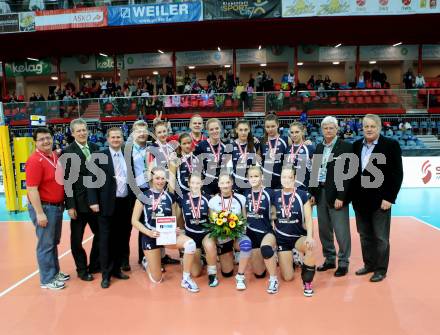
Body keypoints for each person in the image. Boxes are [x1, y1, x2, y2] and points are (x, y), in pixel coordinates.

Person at [131, 166, 200, 293]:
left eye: (163, 178)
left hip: (166, 236)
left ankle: (186, 279)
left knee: (190, 244)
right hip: (150, 236)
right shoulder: (142, 196)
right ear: (152, 179)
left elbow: (173, 217)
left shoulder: (170, 196)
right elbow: (134, 221)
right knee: (157, 279)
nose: (160, 181)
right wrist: (149, 232)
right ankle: (147, 262)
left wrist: (174, 229)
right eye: (157, 178)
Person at [351, 114, 403, 282]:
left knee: (381, 237)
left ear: (379, 128)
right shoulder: (356, 145)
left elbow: (397, 174)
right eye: (366, 126)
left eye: (372, 126)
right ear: (362, 128)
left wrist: (390, 198)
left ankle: (381, 269)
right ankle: (369, 264)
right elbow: (352, 174)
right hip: (360, 201)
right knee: (364, 235)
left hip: (381, 201)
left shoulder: (391, 145)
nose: (369, 129)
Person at [26, 127, 70, 290]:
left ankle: (54, 272)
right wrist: (39, 213)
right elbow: (32, 189)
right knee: (46, 244)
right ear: (35, 142)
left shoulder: (53, 155)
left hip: (55, 207)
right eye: (41, 139)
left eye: (48, 138)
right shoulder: (34, 161)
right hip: (44, 207)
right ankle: (47, 279)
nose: (46, 141)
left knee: (53, 242)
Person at [309, 116, 353, 277]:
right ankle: (329, 259)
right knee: (324, 230)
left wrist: (342, 196)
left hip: (337, 195)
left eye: (331, 128)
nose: (328, 130)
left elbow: (349, 175)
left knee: (341, 231)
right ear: (322, 130)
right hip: (320, 194)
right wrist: (313, 192)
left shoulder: (346, 147)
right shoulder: (319, 147)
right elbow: (315, 171)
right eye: (325, 128)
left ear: (337, 129)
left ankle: (343, 262)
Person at [87, 127, 131, 289]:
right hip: (105, 204)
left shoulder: (127, 156)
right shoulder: (99, 156)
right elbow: (91, 180)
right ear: (107, 139)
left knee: (120, 239)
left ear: (122, 138)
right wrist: (93, 201)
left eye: (118, 137)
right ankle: (106, 274)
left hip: (124, 203)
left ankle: (117, 269)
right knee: (105, 241)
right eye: (113, 137)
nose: (116, 139)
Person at [62, 118, 100, 281]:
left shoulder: (96, 148)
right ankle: (82, 269)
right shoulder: (67, 152)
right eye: (78, 131)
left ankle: (94, 265)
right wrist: (70, 205)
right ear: (73, 133)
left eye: (84, 130)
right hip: (78, 204)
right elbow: (67, 181)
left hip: (96, 203)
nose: (82, 133)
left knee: (101, 235)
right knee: (76, 241)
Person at [271, 167, 316, 297]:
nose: (287, 180)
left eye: (290, 177)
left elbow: (308, 219)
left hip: (298, 237)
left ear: (295, 179)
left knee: (310, 246)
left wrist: (309, 237)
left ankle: (307, 282)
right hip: (282, 239)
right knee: (288, 277)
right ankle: (293, 256)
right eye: (284, 177)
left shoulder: (302, 194)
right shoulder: (274, 194)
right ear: (280, 179)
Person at [208, 174, 252, 290]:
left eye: (228, 182)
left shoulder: (240, 199)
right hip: (222, 238)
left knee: (246, 244)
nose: (225, 185)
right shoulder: (213, 201)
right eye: (222, 183)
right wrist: (222, 230)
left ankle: (241, 277)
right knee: (227, 273)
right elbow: (212, 223)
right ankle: (231, 255)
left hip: (237, 235)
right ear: (218, 185)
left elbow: (244, 219)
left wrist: (237, 230)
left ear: (232, 183)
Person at [175, 173, 219, 287]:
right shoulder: (182, 198)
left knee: (209, 245)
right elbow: (178, 217)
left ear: (202, 183)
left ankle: (212, 274)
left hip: (205, 233)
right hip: (191, 235)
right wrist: (178, 229)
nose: (195, 185)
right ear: (189, 183)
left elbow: (213, 218)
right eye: (193, 183)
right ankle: (202, 260)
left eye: (198, 183)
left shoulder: (208, 198)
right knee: (195, 273)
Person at [244, 166, 277, 293]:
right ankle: (270, 259)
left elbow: (275, 214)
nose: (253, 179)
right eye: (251, 176)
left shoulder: (270, 193)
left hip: (266, 232)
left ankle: (274, 280)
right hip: (251, 233)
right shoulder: (245, 194)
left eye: (256, 176)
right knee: (259, 273)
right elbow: (244, 215)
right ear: (247, 178)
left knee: (266, 249)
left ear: (262, 177)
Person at [126, 120, 150, 267]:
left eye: (144, 131)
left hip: (151, 191)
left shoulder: (152, 148)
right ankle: (124, 260)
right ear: (133, 133)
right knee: (126, 227)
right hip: (133, 192)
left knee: (147, 225)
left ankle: (145, 257)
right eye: (138, 131)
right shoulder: (126, 150)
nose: (142, 134)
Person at [194, 118, 227, 196]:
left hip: (222, 183)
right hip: (207, 184)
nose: (214, 131)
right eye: (211, 129)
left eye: (217, 128)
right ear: (207, 131)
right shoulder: (201, 146)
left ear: (220, 129)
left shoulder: (226, 146)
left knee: (222, 207)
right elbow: (197, 168)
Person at [230, 119, 260, 194]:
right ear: (236, 130)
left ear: (249, 130)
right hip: (236, 184)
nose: (243, 133)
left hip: (251, 184)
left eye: (245, 130)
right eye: (240, 130)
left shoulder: (255, 143)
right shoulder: (230, 146)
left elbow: (259, 163)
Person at [261, 114, 290, 189]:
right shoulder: (261, 141)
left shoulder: (286, 140)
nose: (270, 129)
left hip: (281, 180)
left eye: (273, 126)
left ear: (277, 125)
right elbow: (258, 160)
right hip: (266, 181)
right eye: (267, 127)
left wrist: (306, 142)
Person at [286, 122, 314, 192]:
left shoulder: (310, 148)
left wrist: (312, 192)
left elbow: (316, 171)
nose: (294, 135)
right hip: (290, 189)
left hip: (305, 189)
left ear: (302, 132)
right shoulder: (288, 149)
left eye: (297, 132)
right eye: (292, 132)